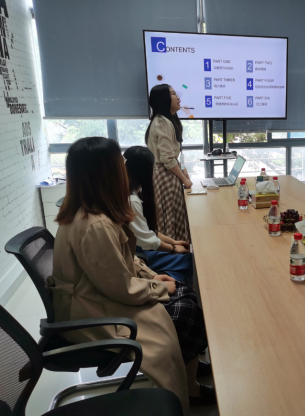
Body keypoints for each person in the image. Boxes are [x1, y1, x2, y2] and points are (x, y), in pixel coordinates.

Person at [48, 137, 215, 410]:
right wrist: (157, 288)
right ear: (106, 172)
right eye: (119, 163)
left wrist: (151, 277)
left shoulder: (95, 212)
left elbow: (123, 262)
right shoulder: (95, 225)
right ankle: (185, 390)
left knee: (185, 294)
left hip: (95, 297)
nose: (124, 169)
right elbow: (121, 287)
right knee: (184, 310)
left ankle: (188, 374)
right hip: (90, 313)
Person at [124, 146, 194, 286]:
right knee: (189, 261)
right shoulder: (132, 201)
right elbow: (147, 240)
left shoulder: (133, 194)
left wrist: (174, 242)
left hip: (140, 250)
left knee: (187, 257)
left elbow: (150, 231)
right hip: (137, 254)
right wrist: (173, 248)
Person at [145, 84, 193, 242]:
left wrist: (183, 171)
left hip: (167, 172)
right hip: (164, 175)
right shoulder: (162, 122)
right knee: (170, 215)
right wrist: (184, 179)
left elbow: (172, 156)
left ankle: (177, 247)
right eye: (173, 94)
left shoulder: (168, 120)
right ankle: (175, 249)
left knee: (172, 215)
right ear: (163, 99)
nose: (178, 98)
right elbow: (166, 158)